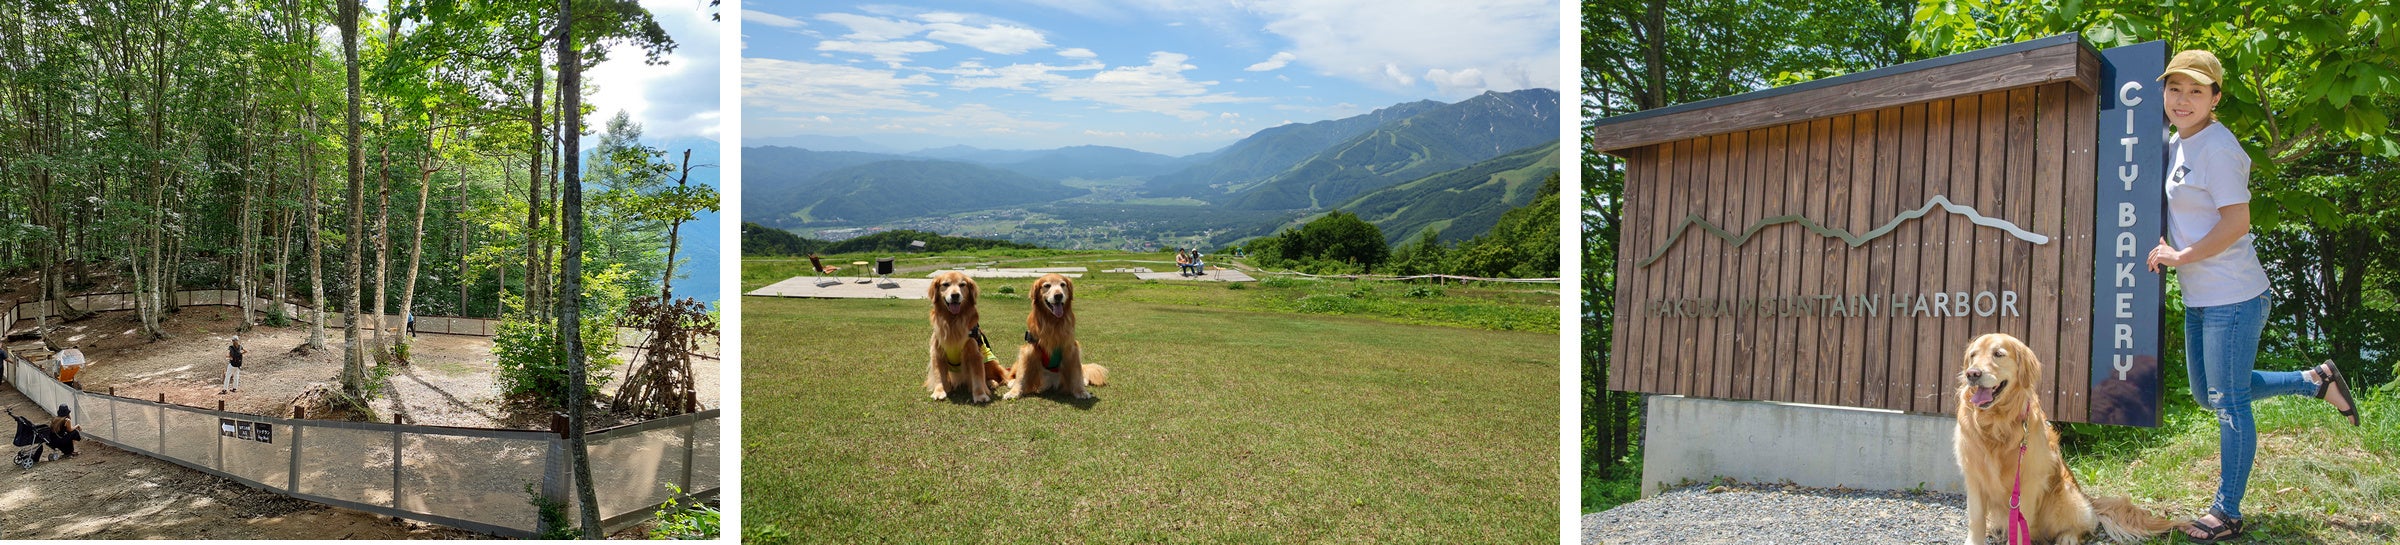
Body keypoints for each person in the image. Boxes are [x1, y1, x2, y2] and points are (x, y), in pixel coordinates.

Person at [2143, 49, 2361, 543]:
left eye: (2197, 91)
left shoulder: (2217, 147)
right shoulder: (2179, 142)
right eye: (2175, 88)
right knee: (2208, 393)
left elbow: (2237, 222)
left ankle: (2228, 511)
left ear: (2215, 98)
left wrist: (2180, 257)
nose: (2183, 99)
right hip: (2202, 295)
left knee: (2228, 402)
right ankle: (2314, 381)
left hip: (2234, 296)